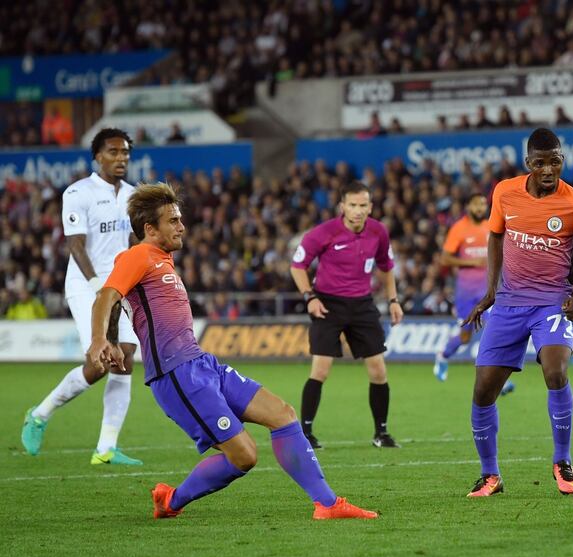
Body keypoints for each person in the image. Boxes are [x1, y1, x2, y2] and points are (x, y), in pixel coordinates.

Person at [87, 183, 376, 520]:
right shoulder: (138, 255)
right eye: (173, 221)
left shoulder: (162, 261)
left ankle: (327, 504)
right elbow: (106, 296)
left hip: (202, 364)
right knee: (244, 456)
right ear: (150, 229)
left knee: (283, 415)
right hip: (177, 375)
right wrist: (99, 341)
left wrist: (111, 337)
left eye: (180, 219)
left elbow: (121, 301)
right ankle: (172, 500)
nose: (182, 226)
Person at [463, 128, 573, 498]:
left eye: (556, 161)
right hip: (510, 303)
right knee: (483, 391)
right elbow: (495, 236)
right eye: (541, 163)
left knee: (555, 370)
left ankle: (562, 461)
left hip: (551, 303)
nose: (549, 169)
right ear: (528, 163)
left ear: (563, 160)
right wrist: (491, 290)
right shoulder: (504, 192)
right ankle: (490, 476)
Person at [21, 128, 143, 465]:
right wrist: (94, 285)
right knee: (100, 362)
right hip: (86, 286)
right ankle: (40, 414)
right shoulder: (78, 192)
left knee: (126, 355)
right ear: (97, 156)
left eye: (126, 153)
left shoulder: (133, 195)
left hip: (120, 286)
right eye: (114, 152)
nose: (121, 159)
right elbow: (75, 243)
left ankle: (106, 448)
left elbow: (134, 243)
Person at [290, 182, 403, 449]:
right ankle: (305, 434)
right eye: (352, 205)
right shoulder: (323, 232)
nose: (358, 211)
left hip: (362, 305)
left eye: (363, 205)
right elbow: (298, 266)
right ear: (342, 207)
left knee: (378, 370)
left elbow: (387, 268)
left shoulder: (378, 231)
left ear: (370, 207)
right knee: (321, 370)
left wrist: (393, 300)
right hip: (327, 304)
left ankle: (381, 433)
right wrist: (310, 297)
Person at [433, 193, 514, 395]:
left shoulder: (492, 226)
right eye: (476, 204)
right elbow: (444, 259)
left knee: (493, 330)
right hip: (465, 293)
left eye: (483, 204)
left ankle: (498, 381)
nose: (480, 208)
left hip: (489, 291)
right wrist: (471, 262)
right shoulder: (459, 228)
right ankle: (442, 356)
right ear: (468, 206)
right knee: (465, 336)